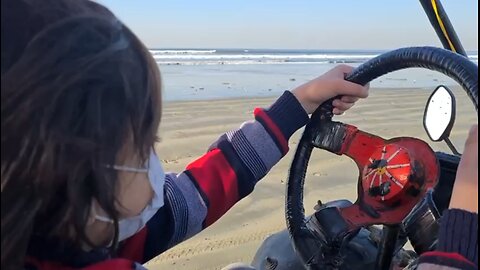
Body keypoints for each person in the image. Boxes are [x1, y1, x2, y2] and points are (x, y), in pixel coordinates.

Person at [0, 0, 476, 270]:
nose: (155, 162)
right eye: (143, 146)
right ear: (75, 176)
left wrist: (298, 105)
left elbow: (195, 194)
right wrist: (454, 251)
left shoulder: (73, 234)